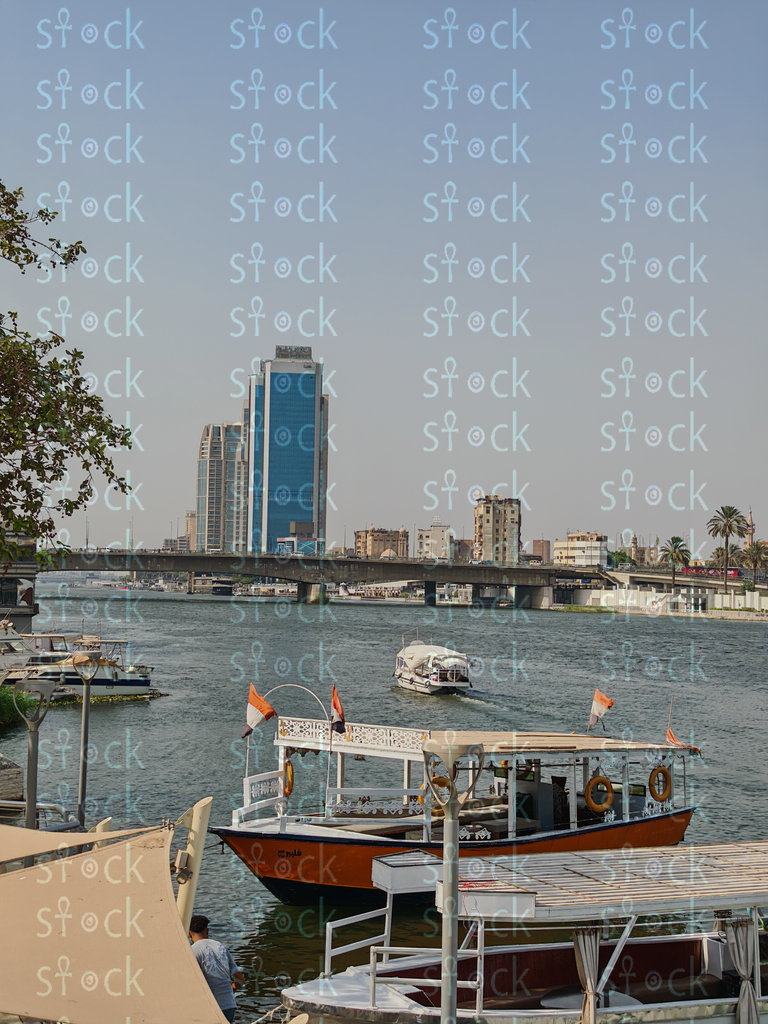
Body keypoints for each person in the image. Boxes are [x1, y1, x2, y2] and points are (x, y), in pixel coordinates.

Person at [188, 914, 245, 1022]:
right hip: (229, 1005)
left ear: (189, 934)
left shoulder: (192, 951)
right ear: (207, 931)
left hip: (210, 1008)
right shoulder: (220, 947)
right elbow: (240, 979)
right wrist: (232, 988)